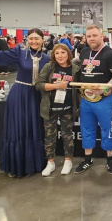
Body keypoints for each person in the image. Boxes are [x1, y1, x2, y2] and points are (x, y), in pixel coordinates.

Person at [0, 28, 50, 177]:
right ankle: (16, 165)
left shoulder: (48, 58)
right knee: (17, 128)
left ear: (43, 40)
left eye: (37, 38)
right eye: (31, 38)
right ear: (27, 40)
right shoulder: (19, 53)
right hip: (19, 95)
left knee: (34, 129)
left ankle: (34, 164)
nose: (34, 41)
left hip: (37, 96)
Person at [74, 25, 112, 175]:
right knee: (86, 129)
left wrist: (104, 88)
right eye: (89, 36)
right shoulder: (83, 52)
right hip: (86, 99)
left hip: (105, 99)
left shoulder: (111, 54)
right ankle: (88, 159)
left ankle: (110, 160)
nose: (91, 39)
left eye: (94, 35)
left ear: (101, 36)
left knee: (108, 130)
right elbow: (74, 64)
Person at [35, 44, 80, 176]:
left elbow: (78, 90)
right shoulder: (49, 67)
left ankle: (68, 161)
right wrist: (56, 86)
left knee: (67, 135)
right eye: (57, 53)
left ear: (68, 54)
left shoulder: (75, 69)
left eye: (63, 53)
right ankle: (50, 162)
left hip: (67, 108)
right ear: (53, 55)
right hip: (50, 108)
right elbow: (39, 84)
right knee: (49, 137)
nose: (60, 56)